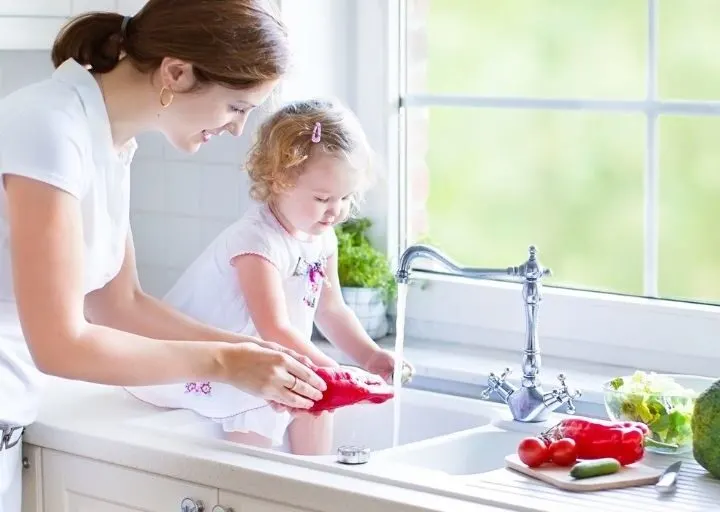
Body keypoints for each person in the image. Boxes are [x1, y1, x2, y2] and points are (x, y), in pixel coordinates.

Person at [0, 2, 329, 509]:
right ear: (176, 72)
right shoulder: (48, 126)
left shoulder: (107, 139)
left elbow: (120, 304)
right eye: (237, 108)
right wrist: (225, 361)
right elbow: (59, 345)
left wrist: (259, 354)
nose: (237, 129)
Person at [126, 98, 413, 455]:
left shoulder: (321, 236)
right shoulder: (256, 241)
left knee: (317, 397)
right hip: (209, 362)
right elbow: (273, 328)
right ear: (279, 180)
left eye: (345, 197)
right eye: (323, 197)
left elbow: (332, 310)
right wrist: (335, 372)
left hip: (270, 355)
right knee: (273, 403)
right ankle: (256, 486)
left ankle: (314, 488)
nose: (335, 211)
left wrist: (368, 357)